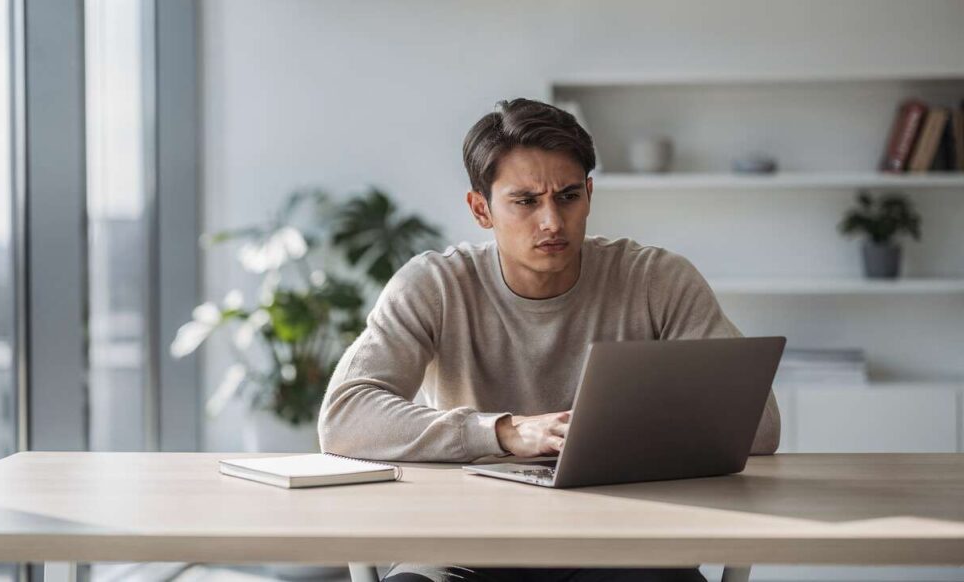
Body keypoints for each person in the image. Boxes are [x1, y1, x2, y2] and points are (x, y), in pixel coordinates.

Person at [317, 98, 780, 582]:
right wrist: (503, 432)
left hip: (623, 544)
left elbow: (761, 426)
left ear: (590, 195)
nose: (552, 222)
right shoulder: (434, 285)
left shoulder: (655, 279)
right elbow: (346, 417)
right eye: (525, 201)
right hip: (466, 546)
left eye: (568, 196)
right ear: (481, 209)